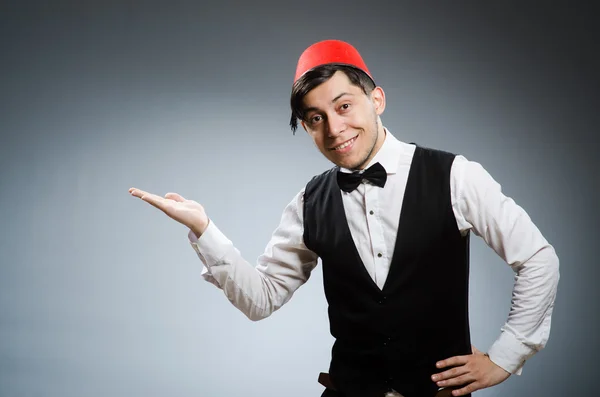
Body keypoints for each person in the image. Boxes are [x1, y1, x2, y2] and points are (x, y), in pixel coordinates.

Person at [129, 40, 559, 397]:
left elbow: (538, 259)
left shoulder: (455, 176)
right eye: (316, 119)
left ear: (377, 99)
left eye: (344, 106)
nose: (334, 129)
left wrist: (505, 357)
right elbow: (261, 299)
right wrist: (204, 229)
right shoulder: (308, 203)